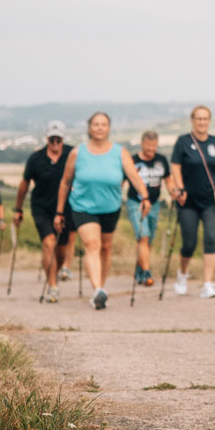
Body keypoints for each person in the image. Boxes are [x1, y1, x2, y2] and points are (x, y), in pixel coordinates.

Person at [56, 112, 153, 311]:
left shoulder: (120, 152)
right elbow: (65, 183)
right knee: (92, 244)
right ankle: (97, 289)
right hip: (83, 206)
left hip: (110, 207)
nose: (100, 127)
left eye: (104, 124)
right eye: (96, 124)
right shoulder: (77, 153)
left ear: (109, 128)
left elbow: (134, 177)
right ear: (89, 128)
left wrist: (145, 197)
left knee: (106, 248)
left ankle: (100, 286)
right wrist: (59, 212)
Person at [168, 105, 215, 299]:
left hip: (210, 200)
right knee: (189, 243)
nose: (202, 122)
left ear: (209, 121)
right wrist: (179, 188)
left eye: (205, 119)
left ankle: (207, 284)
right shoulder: (183, 142)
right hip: (188, 200)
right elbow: (175, 166)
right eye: (198, 119)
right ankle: (182, 275)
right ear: (192, 120)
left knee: (210, 239)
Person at [14, 121, 77, 303]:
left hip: (66, 207)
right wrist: (18, 209)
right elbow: (24, 185)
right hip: (41, 206)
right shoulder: (36, 158)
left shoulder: (72, 154)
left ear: (63, 139)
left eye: (58, 139)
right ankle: (53, 286)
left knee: (62, 249)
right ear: (47, 138)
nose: (55, 142)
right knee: (49, 242)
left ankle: (53, 273)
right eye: (52, 139)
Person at [125, 131, 170, 287]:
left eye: (154, 145)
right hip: (135, 203)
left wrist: (175, 194)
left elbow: (168, 180)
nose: (151, 148)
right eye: (148, 145)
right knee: (142, 236)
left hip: (155, 203)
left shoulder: (161, 160)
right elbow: (122, 180)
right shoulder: (133, 160)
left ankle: (139, 269)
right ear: (142, 143)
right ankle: (146, 272)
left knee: (148, 240)